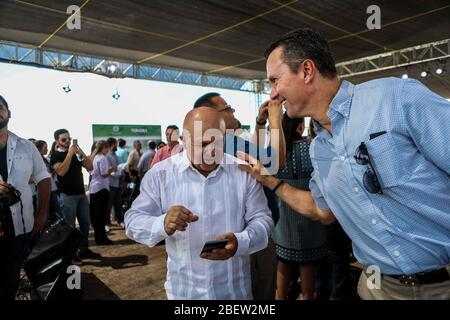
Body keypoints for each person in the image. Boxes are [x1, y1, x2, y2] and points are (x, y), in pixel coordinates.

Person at [238, 28, 450, 300]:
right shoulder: (318, 149)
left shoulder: (395, 98)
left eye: (275, 80)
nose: (273, 93)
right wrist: (270, 181)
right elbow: (322, 210)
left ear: (306, 71)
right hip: (380, 290)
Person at [125, 107, 273, 300]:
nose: (211, 151)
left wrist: (241, 242)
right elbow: (132, 221)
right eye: (202, 144)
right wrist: (162, 223)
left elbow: (263, 219)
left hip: (234, 294)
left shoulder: (242, 172)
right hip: (184, 294)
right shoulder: (160, 175)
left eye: (217, 142)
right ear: (183, 141)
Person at [193, 92, 283, 300]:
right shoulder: (227, 141)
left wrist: (260, 122)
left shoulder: (211, 144)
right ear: (214, 115)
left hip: (231, 236)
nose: (233, 111)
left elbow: (256, 154)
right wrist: (275, 120)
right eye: (227, 108)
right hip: (251, 237)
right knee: (261, 292)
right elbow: (274, 162)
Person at [0, 95, 51, 300]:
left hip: (20, 227)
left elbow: (44, 179)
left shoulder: (26, 146)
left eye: (0, 107)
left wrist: (42, 214)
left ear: (9, 113)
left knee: (11, 279)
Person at [272, 115, 327, 300]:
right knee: (308, 264)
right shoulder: (312, 147)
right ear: (299, 126)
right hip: (308, 212)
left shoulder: (276, 151)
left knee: (283, 262)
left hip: (283, 216)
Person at [50, 129, 99, 261]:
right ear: (57, 142)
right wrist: (70, 154)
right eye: (64, 140)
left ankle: (83, 250)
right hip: (67, 196)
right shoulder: (55, 156)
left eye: (69, 139)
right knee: (69, 228)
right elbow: (61, 172)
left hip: (81, 195)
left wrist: (80, 151)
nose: (67, 142)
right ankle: (70, 255)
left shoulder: (76, 155)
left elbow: (90, 166)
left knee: (85, 225)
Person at [89, 140, 116, 245]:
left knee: (96, 215)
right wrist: (112, 169)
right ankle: (102, 238)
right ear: (104, 148)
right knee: (101, 215)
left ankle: (99, 237)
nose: (108, 150)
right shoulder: (103, 158)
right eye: (107, 148)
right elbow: (104, 174)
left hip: (94, 188)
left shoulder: (94, 157)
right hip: (102, 189)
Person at [35, 140, 61, 221]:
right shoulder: (35, 160)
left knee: (57, 213)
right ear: (39, 149)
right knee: (47, 214)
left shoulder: (45, 159)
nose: (47, 149)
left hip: (53, 189)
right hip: (44, 190)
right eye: (45, 147)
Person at [106, 137, 123, 227]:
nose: (116, 145)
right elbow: (109, 171)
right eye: (115, 144)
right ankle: (107, 222)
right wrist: (117, 174)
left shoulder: (117, 156)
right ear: (111, 145)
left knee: (117, 204)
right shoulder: (106, 156)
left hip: (118, 184)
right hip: (110, 184)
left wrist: (120, 174)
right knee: (108, 205)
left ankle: (119, 220)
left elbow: (120, 168)